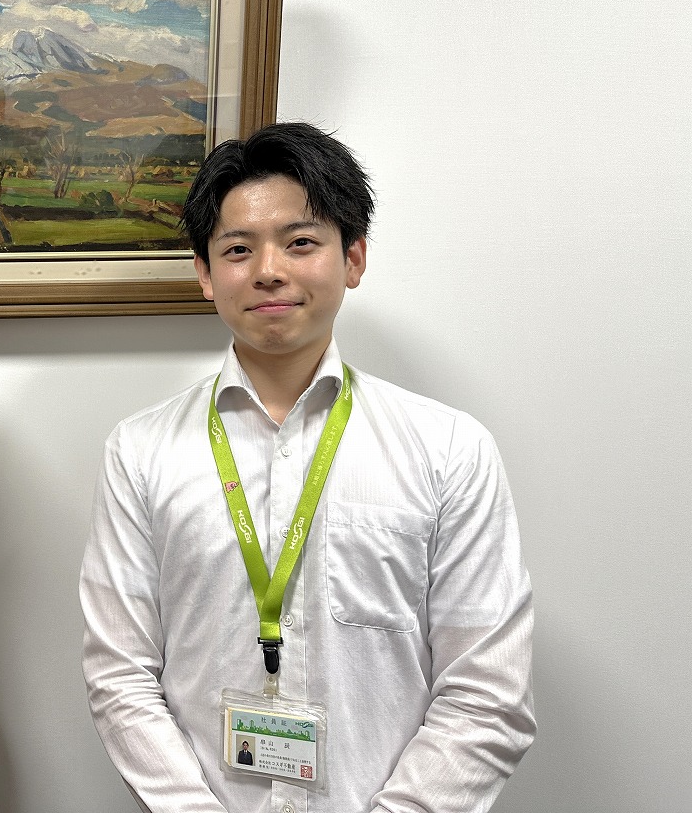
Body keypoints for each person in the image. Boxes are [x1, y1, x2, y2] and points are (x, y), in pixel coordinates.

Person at [80, 123, 534, 813]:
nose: (269, 270)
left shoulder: (449, 448)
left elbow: (486, 693)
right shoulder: (140, 452)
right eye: (238, 249)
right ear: (205, 273)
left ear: (352, 258)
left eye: (300, 242)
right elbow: (120, 674)